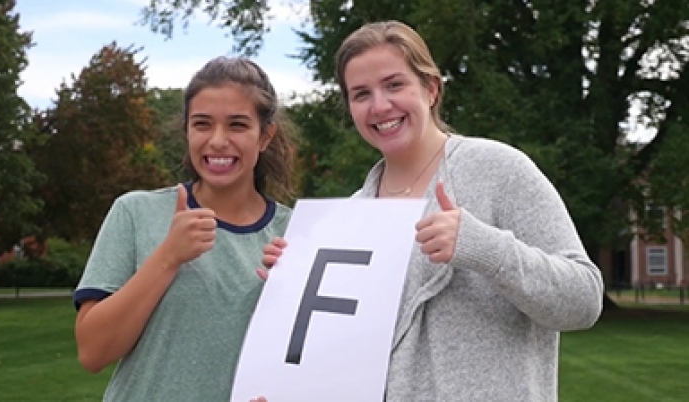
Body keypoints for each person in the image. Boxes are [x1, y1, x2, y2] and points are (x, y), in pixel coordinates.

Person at [254, 20, 604, 402]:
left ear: (431, 88)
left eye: (394, 85)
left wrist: (483, 246)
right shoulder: (351, 216)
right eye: (361, 94)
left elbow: (584, 300)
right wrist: (292, 288)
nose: (380, 105)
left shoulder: (499, 169)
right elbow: (339, 359)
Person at [73, 56, 297, 402]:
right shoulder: (135, 212)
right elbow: (93, 352)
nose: (218, 141)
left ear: (265, 136)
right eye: (202, 124)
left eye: (237, 125)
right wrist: (168, 257)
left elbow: (312, 359)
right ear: (187, 131)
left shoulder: (296, 234)